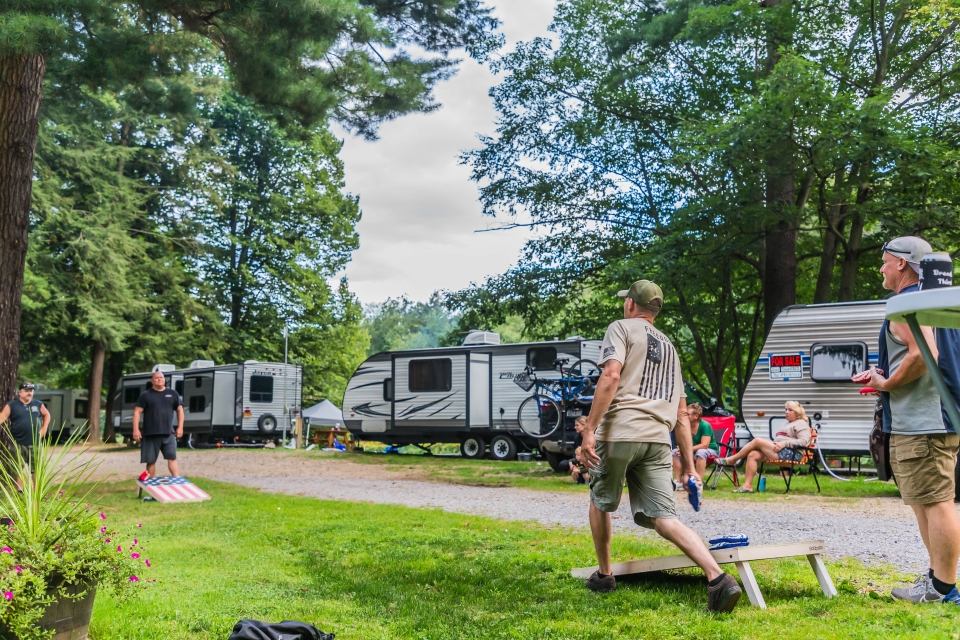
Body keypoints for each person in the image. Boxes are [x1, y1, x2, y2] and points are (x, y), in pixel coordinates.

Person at [577, 279, 742, 612]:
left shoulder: (620, 328)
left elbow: (610, 376)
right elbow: (681, 414)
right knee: (664, 517)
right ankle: (717, 578)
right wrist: (690, 469)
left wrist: (589, 430)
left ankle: (605, 574)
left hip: (621, 432)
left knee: (601, 500)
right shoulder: (670, 348)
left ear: (630, 305)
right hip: (658, 440)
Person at [851, 236, 960, 605]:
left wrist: (888, 383)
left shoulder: (907, 303)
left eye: (884, 261)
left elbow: (924, 352)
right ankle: (936, 582)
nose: (880, 268)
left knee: (936, 501)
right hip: (934, 417)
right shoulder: (938, 304)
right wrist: (884, 374)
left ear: (901, 264)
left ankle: (943, 589)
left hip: (924, 421)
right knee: (925, 500)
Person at [714, 401, 810, 493]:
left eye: (790, 410)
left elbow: (803, 442)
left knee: (757, 441)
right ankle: (747, 486)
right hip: (780, 451)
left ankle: (732, 459)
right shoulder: (786, 423)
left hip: (793, 454)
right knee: (752, 454)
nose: (786, 412)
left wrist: (784, 444)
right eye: (786, 409)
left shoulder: (801, 423)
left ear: (797, 412)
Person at [132, 371, 184, 478]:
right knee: (150, 461)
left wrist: (180, 427)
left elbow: (180, 411)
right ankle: (151, 486)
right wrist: (136, 430)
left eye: (161, 377)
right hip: (150, 434)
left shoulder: (173, 394)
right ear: (152, 381)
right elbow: (137, 412)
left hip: (168, 433)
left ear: (164, 379)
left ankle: (177, 482)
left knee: (172, 458)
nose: (159, 379)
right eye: (157, 378)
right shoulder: (146, 395)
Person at [0, 382, 50, 488]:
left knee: (36, 468)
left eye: (31, 391)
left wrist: (44, 427)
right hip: (18, 442)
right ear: (20, 392)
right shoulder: (11, 405)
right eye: (26, 391)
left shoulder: (38, 404)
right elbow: (2, 417)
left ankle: (36, 490)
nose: (29, 393)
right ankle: (19, 491)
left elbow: (46, 414)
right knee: (17, 467)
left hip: (35, 442)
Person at [672, 403, 718, 488]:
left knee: (701, 452)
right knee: (674, 452)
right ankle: (678, 482)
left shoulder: (705, 425)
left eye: (688, 414)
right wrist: (681, 449)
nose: (685, 416)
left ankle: (698, 482)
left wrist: (687, 450)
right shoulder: (685, 426)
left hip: (710, 451)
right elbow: (683, 441)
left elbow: (705, 445)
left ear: (696, 416)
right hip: (693, 451)